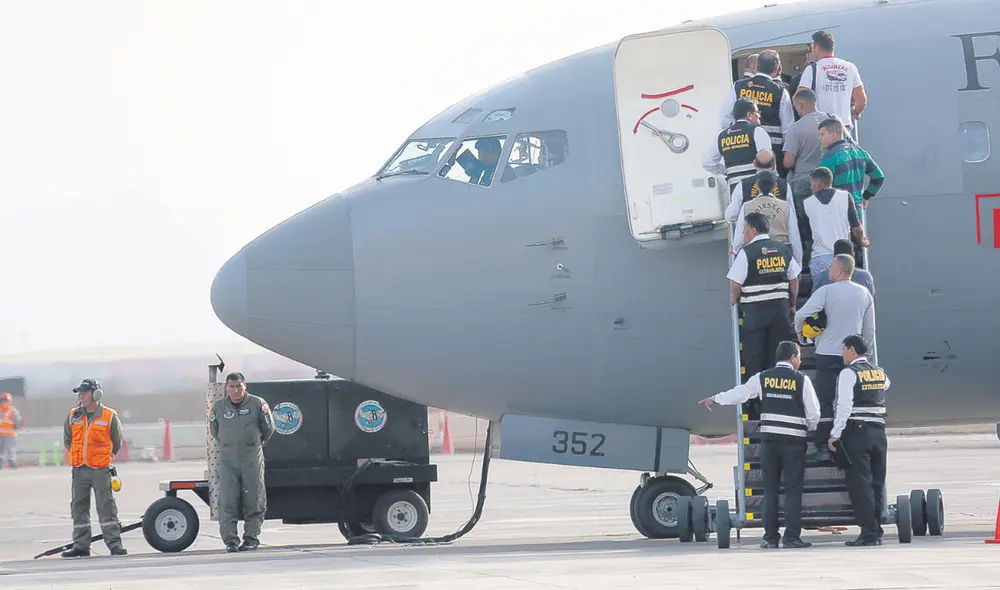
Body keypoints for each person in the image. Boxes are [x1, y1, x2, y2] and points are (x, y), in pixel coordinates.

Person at [699, 341, 820, 549]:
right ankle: (791, 538)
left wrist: (716, 399)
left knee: (770, 490)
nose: (800, 361)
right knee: (793, 491)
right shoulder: (802, 380)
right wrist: (809, 426)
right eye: (799, 357)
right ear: (792, 358)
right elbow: (814, 413)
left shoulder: (763, 377)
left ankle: (770, 538)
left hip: (770, 442)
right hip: (793, 442)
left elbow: (741, 393)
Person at [793, 255, 875, 462]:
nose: (829, 271)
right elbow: (869, 330)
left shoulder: (825, 291)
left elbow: (800, 314)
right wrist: (864, 354)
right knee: (850, 401)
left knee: (825, 401)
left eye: (832, 268)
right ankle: (848, 444)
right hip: (853, 357)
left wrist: (800, 334)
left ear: (839, 271)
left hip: (827, 354)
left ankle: (823, 447)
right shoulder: (864, 293)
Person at [828, 334, 890, 546]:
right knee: (877, 483)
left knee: (861, 484)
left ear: (852, 350)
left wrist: (835, 433)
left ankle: (868, 532)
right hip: (879, 431)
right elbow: (886, 385)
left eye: (844, 349)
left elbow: (844, 406)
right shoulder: (879, 372)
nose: (842, 354)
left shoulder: (848, 373)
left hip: (858, 432)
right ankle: (877, 530)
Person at [728, 212, 801, 379]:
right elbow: (794, 279)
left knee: (754, 358)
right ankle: (778, 390)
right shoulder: (783, 250)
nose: (743, 233)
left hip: (755, 314)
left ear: (753, 230)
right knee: (778, 357)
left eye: (745, 229)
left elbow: (736, 284)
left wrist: (733, 299)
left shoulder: (747, 253)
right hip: (780, 312)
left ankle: (757, 393)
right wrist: (792, 304)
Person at [210, 371, 275, 552]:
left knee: (254, 498)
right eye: (231, 386)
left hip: (251, 457)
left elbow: (269, 428)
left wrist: (255, 443)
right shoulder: (218, 407)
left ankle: (251, 538)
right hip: (228, 459)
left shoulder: (258, 404)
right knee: (227, 500)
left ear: (245, 386)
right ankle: (230, 541)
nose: (236, 390)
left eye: (239, 386)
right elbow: (214, 430)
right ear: (226, 388)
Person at [61, 379, 127, 557]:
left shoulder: (109, 416)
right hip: (79, 469)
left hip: (100, 470)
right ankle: (81, 545)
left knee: (106, 507)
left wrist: (105, 457)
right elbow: (68, 439)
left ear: (96, 395)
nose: (81, 396)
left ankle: (114, 544)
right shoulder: (73, 415)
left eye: (84, 393)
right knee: (78, 507)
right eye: (80, 393)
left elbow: (117, 441)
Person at [719, 51, 795, 169]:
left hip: (742, 148)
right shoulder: (780, 91)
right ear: (776, 70)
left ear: (756, 67)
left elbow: (725, 116)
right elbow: (787, 128)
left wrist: (735, 132)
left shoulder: (738, 86)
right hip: (771, 152)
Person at [802, 167, 869, 291]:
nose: (810, 188)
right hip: (844, 258)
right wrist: (861, 242)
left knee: (822, 297)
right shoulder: (845, 196)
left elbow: (806, 234)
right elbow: (857, 228)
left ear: (818, 184)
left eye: (812, 184)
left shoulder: (807, 203)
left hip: (820, 258)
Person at [797, 30, 867, 140]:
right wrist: (856, 112)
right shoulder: (850, 67)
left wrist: (805, 117)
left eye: (812, 48)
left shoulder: (812, 69)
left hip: (821, 127)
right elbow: (861, 100)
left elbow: (799, 98)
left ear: (817, 47)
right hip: (843, 127)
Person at [732, 170, 804, 268]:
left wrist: (736, 250)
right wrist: (798, 262)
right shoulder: (786, 206)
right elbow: (794, 236)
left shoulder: (746, 206)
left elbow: (739, 237)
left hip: (756, 255)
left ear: (757, 185)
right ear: (775, 186)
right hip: (781, 254)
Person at [818, 117, 885, 221]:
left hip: (837, 212)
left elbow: (822, 190)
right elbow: (878, 177)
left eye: (822, 134)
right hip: (857, 210)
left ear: (833, 135)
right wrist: (866, 196)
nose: (819, 138)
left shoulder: (828, 158)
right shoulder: (860, 152)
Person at [703, 99, 773, 188]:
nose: (759, 115)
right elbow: (767, 160)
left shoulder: (722, 136)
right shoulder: (757, 131)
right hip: (757, 186)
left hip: (734, 186)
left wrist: (728, 171)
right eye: (757, 112)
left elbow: (707, 163)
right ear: (749, 115)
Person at [783, 89, 828, 203]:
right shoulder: (831, 120)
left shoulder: (795, 128)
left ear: (800, 106)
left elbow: (788, 162)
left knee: (802, 213)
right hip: (828, 178)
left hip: (803, 179)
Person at [725, 150, 789, 225]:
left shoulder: (742, 186)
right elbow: (791, 216)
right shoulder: (785, 185)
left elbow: (731, 216)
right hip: (779, 231)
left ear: (754, 164)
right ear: (774, 166)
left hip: (753, 231)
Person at [0, 392, 23, 469]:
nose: (3, 402)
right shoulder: (0, 410)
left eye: (5, 400)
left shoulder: (13, 410)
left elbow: (18, 420)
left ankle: (12, 462)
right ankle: (0, 462)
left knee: (11, 449)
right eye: (2, 400)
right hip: (1, 434)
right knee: (1, 449)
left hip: (10, 434)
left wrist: (16, 426)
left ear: (9, 401)